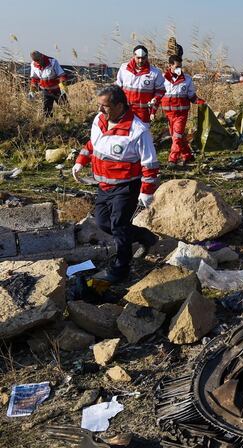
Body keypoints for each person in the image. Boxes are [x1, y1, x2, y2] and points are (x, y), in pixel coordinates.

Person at [72, 85, 160, 283]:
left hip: (126, 187)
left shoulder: (138, 131)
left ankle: (121, 267)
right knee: (104, 223)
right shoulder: (99, 120)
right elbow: (92, 144)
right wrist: (80, 161)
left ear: (120, 105)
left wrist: (146, 192)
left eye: (105, 106)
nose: (101, 110)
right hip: (103, 185)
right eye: (99, 105)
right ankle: (144, 236)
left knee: (119, 226)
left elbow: (150, 164)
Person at [162, 55, 204, 167]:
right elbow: (157, 95)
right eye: (176, 66)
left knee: (176, 137)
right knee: (177, 137)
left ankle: (172, 159)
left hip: (181, 114)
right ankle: (187, 155)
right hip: (168, 114)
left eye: (180, 66)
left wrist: (201, 102)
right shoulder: (162, 79)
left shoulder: (187, 79)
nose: (179, 69)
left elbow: (192, 96)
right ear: (170, 66)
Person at [116, 45, 165, 125]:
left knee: (142, 134)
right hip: (125, 109)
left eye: (143, 58)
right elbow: (118, 87)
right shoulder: (124, 68)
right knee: (124, 133)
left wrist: (156, 98)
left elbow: (160, 90)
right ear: (134, 56)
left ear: (147, 57)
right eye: (138, 58)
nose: (140, 60)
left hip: (143, 111)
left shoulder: (155, 72)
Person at [29, 51, 68, 117]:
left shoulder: (53, 62)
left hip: (57, 90)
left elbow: (62, 76)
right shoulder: (33, 65)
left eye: (38, 60)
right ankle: (51, 125)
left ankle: (70, 123)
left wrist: (63, 88)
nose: (38, 62)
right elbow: (34, 79)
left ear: (42, 56)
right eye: (36, 61)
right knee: (46, 113)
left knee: (65, 109)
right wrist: (32, 91)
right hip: (46, 92)